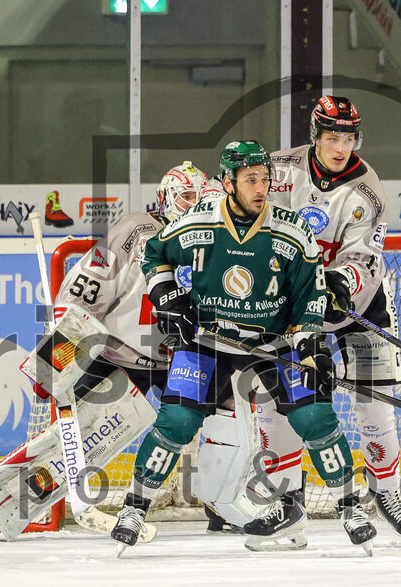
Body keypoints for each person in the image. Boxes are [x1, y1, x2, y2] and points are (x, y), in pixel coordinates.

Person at [111, 139, 376, 554]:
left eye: (265, 179)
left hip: (276, 339)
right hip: (208, 341)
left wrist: (311, 346)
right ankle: (134, 507)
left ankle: (350, 508)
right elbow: (155, 253)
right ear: (227, 182)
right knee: (178, 421)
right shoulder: (198, 221)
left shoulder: (292, 229)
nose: (260, 188)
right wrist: (166, 296)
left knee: (314, 418)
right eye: (250, 179)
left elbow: (310, 295)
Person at [0, 162, 209, 540]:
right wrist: (55, 359)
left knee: (206, 425)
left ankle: (217, 504)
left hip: (177, 360)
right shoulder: (135, 231)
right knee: (82, 439)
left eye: (201, 198)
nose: (194, 206)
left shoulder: (208, 241)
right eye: (186, 197)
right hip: (117, 355)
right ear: (165, 198)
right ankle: (1, 510)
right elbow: (86, 292)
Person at [246, 94, 401, 545]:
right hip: (288, 306)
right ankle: (288, 501)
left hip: (357, 308)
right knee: (274, 403)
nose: (340, 146)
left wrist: (339, 285)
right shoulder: (278, 168)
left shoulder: (369, 192)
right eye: (332, 136)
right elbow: (239, 202)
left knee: (374, 405)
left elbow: (364, 258)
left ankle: (384, 492)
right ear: (315, 136)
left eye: (348, 137)